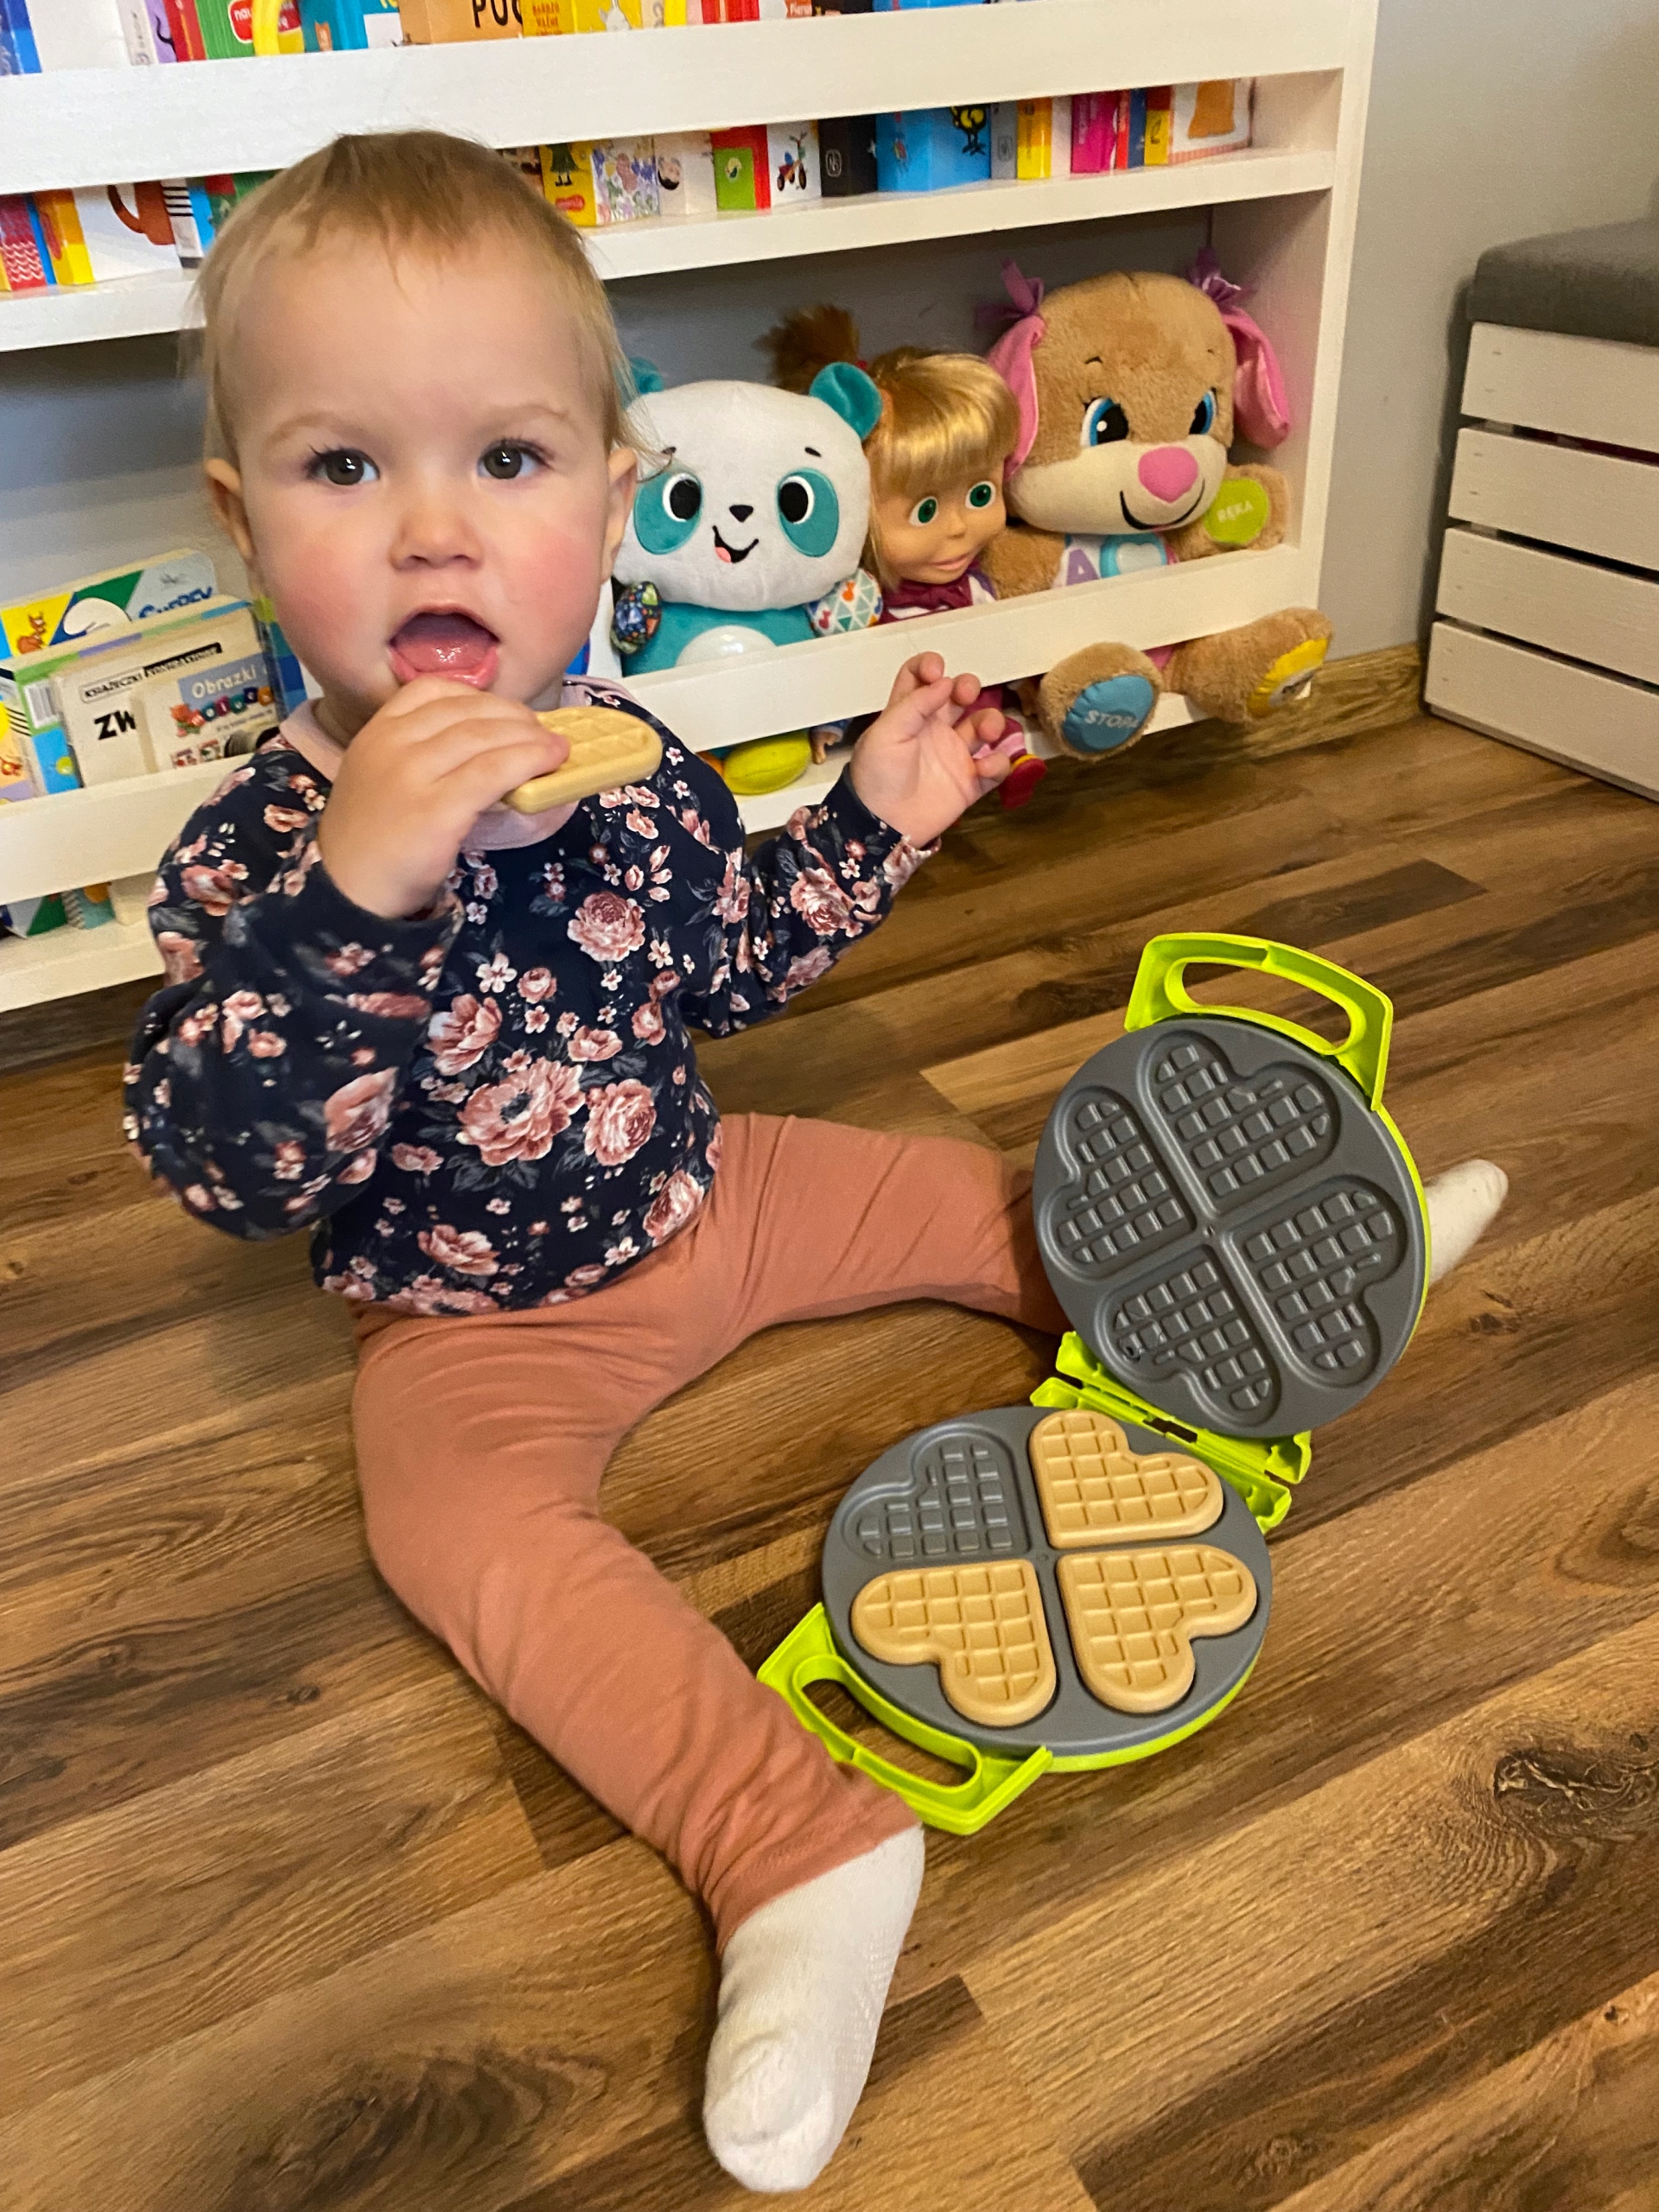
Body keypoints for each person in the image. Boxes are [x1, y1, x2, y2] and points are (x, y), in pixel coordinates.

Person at [124, 128, 1508, 2195]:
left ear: (612, 501)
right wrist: (357, 897)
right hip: (473, 1322)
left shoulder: (638, 769)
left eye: (507, 459)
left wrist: (878, 811)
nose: (432, 531)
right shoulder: (255, 852)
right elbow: (231, 1165)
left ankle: (1297, 1284)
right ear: (248, 519)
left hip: (709, 1189)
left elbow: (734, 962)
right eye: (344, 465)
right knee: (456, 1534)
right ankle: (797, 1845)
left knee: (981, 1198)